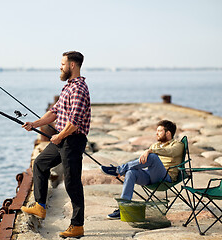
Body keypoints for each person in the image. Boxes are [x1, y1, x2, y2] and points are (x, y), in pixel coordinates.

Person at [21, 51, 91, 238]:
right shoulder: (68, 87)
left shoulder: (78, 89)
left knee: (72, 182)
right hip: (63, 139)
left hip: (72, 140)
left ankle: (77, 226)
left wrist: (59, 136)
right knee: (40, 163)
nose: (60, 67)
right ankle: (40, 206)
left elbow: (75, 122)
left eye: (62, 64)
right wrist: (34, 124)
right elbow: (54, 112)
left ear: (72, 65)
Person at [101, 120, 184, 219]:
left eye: (159, 131)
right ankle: (123, 207)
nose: (156, 133)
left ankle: (118, 169)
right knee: (131, 173)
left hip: (166, 177)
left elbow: (170, 152)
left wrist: (149, 151)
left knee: (152, 157)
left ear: (168, 133)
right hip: (150, 176)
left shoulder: (177, 145)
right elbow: (143, 162)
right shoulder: (155, 145)